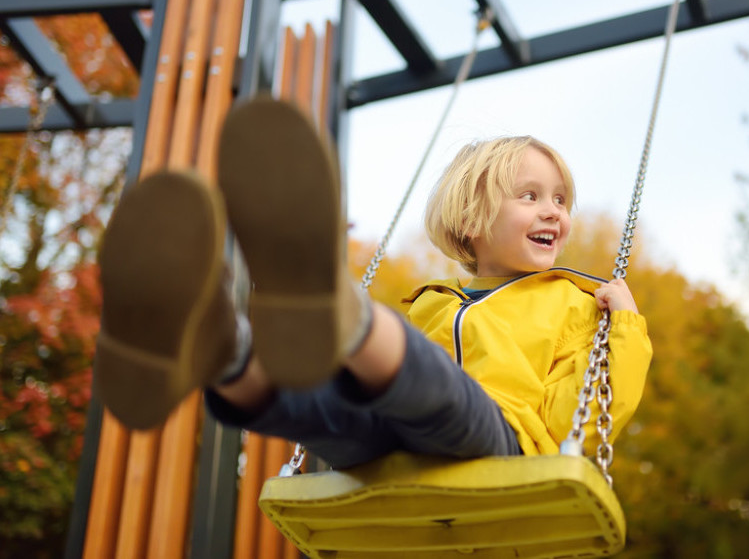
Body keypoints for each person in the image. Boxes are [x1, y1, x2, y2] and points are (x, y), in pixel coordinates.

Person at [95, 94, 652, 469]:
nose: (553, 211)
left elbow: (576, 418)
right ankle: (223, 351)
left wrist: (622, 325)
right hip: (397, 453)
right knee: (332, 413)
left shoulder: (576, 305)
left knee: (440, 391)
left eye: (561, 199)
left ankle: (340, 308)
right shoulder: (434, 303)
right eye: (529, 196)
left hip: (500, 446)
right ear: (470, 217)